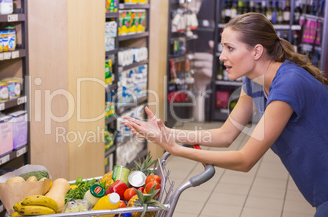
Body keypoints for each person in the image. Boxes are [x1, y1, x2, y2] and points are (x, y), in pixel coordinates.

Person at [122, 13, 328, 216]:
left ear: (256, 51)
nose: (221, 56)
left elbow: (245, 159)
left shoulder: (288, 84)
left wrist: (177, 150)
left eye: (230, 48)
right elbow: (225, 135)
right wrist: (167, 133)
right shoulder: (254, 79)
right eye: (223, 47)